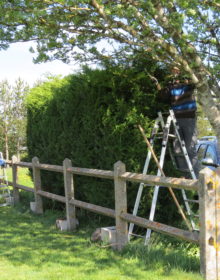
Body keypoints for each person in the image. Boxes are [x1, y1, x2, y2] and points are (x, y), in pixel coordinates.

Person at [157, 66, 199, 178]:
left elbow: (196, 83)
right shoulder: (171, 85)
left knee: (190, 148)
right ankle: (185, 177)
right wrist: (159, 85)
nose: (175, 72)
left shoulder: (188, 82)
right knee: (178, 148)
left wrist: (186, 79)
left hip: (189, 118)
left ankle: (197, 179)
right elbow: (162, 97)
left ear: (181, 71)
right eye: (173, 70)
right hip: (176, 118)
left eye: (177, 70)